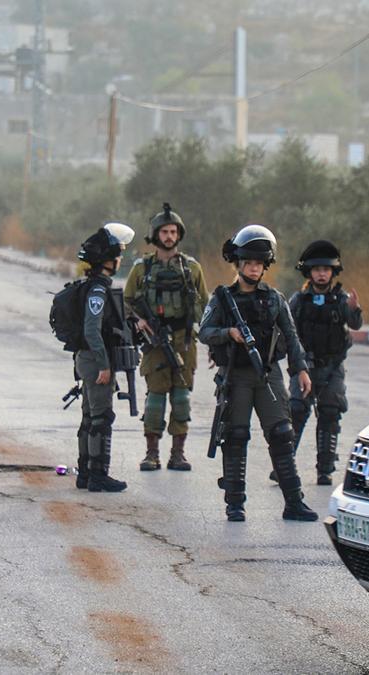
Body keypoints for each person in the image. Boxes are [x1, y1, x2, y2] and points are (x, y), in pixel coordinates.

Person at [198, 225, 318, 522]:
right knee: (236, 437)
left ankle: (294, 501)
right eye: (249, 263)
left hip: (267, 374)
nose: (254, 269)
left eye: (259, 264)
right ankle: (235, 504)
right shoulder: (223, 298)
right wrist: (229, 333)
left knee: (281, 434)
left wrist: (300, 369)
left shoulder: (274, 298)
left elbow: (291, 337)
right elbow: (204, 332)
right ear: (239, 264)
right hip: (235, 376)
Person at [124, 203, 209, 472]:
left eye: (173, 231)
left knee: (182, 398)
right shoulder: (142, 269)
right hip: (154, 342)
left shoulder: (192, 269)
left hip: (184, 341)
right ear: (156, 235)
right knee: (155, 399)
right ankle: (152, 454)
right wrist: (138, 322)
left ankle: (178, 454)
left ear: (179, 234)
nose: (169, 236)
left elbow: (206, 305)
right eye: (164, 232)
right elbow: (125, 302)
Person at [281, 240, 362, 486]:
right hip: (304, 367)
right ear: (309, 273)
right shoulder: (298, 300)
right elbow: (286, 330)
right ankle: (284, 466)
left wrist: (354, 310)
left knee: (329, 414)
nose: (322, 274)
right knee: (295, 411)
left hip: (332, 366)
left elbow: (356, 325)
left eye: (326, 269)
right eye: (317, 269)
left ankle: (325, 470)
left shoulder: (341, 299)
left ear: (333, 272)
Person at [73, 222, 136, 493]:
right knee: (101, 418)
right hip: (95, 360)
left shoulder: (94, 286)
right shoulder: (98, 290)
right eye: (117, 255)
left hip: (86, 359)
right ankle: (98, 474)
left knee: (90, 416)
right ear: (107, 260)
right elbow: (91, 329)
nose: (120, 259)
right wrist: (103, 364)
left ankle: (86, 472)